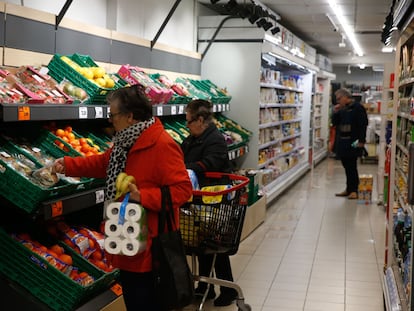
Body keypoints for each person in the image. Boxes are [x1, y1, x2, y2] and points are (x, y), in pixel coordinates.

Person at [53, 85, 193, 311]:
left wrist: (142, 196)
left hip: (150, 245)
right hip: (124, 236)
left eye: (113, 115)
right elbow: (102, 163)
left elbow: (183, 190)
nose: (110, 120)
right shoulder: (123, 144)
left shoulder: (163, 145)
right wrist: (67, 165)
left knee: (144, 301)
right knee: (134, 298)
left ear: (130, 117)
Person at [180, 99, 238, 307]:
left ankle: (228, 289)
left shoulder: (214, 139)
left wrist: (187, 167)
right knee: (202, 243)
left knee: (215, 244)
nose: (187, 125)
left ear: (200, 120)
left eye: (188, 121)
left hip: (214, 199)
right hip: (200, 198)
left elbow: (211, 163)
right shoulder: (194, 138)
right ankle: (206, 287)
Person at [332, 88, 368, 199]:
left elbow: (363, 125)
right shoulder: (342, 109)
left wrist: (361, 141)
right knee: (346, 165)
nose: (338, 101)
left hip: (353, 141)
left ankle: (354, 190)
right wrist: (335, 112)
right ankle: (348, 189)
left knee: (352, 165)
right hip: (342, 141)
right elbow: (335, 123)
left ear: (345, 97)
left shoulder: (358, 108)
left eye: (339, 99)